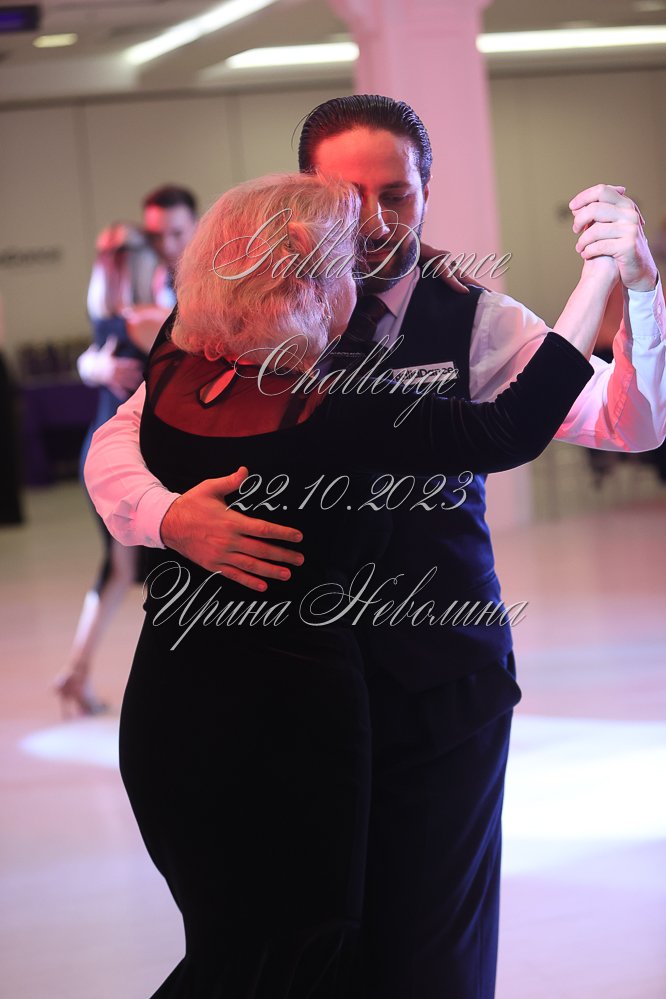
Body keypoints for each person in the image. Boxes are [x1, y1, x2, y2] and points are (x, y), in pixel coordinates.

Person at [85, 97, 665, 997]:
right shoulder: (230, 308)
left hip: (436, 685)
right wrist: (168, 517)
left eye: (396, 194)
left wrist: (638, 292)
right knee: (306, 956)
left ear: (428, 192)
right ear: (304, 194)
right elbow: (122, 439)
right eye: (346, 195)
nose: (372, 220)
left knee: (428, 961)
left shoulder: (476, 318)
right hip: (283, 705)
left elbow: (630, 423)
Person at [52, 223, 158, 715]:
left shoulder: (103, 318)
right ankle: (81, 674)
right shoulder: (142, 322)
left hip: (100, 454)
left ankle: (76, 672)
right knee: (136, 572)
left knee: (118, 570)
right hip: (125, 460)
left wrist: (88, 365)